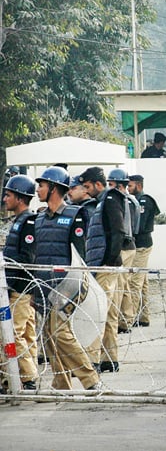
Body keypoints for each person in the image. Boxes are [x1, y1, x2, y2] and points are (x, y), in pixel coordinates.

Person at [33, 166, 102, 390]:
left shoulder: (74, 216)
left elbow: (80, 255)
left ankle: (91, 380)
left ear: (54, 189)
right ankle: (61, 383)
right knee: (49, 337)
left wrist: (73, 286)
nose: (37, 190)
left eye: (42, 185)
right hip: (44, 286)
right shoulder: (40, 219)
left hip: (66, 286)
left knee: (60, 333)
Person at [79, 166, 132, 373]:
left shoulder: (110, 199)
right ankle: (109, 358)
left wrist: (108, 262)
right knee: (107, 313)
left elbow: (117, 232)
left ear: (98, 184)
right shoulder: (101, 202)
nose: (86, 190)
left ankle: (93, 361)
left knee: (98, 311)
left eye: (87, 186)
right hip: (104, 265)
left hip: (106, 267)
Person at [2, 175, 38, 390]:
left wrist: (6, 266)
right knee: (23, 333)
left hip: (20, 287)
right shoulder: (18, 221)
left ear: (21, 198)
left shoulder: (29, 222)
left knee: (13, 333)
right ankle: (10, 376)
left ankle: (27, 377)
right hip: (12, 286)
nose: (5, 199)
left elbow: (27, 259)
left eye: (8, 195)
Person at [105, 169, 139, 335]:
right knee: (124, 284)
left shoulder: (121, 201)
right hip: (130, 244)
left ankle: (124, 319)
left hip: (124, 246)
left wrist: (114, 253)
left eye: (111, 184)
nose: (109, 188)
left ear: (119, 185)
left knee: (120, 286)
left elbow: (121, 229)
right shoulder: (132, 201)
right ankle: (126, 319)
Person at [126, 174, 161, 328]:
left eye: (131, 185)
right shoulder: (133, 201)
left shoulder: (144, 201)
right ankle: (143, 316)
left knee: (134, 282)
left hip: (141, 245)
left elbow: (139, 226)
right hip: (139, 244)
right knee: (143, 282)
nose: (128, 188)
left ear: (139, 185)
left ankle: (129, 318)